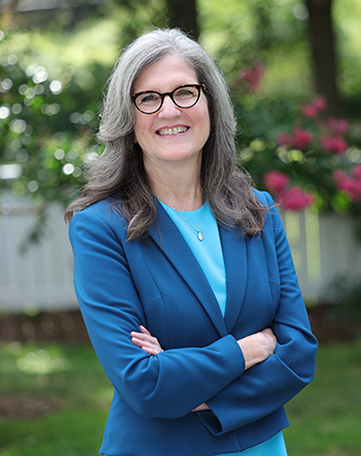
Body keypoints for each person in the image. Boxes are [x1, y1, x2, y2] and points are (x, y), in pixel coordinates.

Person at [65, 28, 318, 456]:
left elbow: (298, 355)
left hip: (262, 447)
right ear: (128, 118)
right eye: (148, 98)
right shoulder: (100, 228)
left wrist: (183, 379)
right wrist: (249, 350)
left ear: (210, 104)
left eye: (185, 92)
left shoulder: (258, 209)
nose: (169, 110)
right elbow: (144, 385)